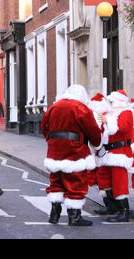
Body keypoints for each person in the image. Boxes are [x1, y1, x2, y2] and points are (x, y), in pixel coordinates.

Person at [41, 85, 102, 227]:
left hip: (55, 149)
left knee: (56, 180)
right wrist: (97, 145)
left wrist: (52, 141)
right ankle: (74, 217)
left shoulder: (54, 107)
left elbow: (44, 127)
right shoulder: (80, 108)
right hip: (75, 150)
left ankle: (54, 213)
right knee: (76, 181)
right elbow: (92, 130)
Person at [97, 90, 133, 222]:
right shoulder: (111, 114)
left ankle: (124, 211)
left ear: (120, 101)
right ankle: (111, 205)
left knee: (119, 182)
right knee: (102, 176)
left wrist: (108, 120)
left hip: (120, 153)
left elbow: (122, 127)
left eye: (112, 101)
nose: (110, 103)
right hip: (108, 152)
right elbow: (104, 131)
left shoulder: (127, 112)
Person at [87, 93, 117, 215]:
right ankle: (108, 204)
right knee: (99, 179)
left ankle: (111, 205)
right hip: (96, 152)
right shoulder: (96, 117)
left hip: (104, 152)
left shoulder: (106, 117)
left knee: (104, 178)